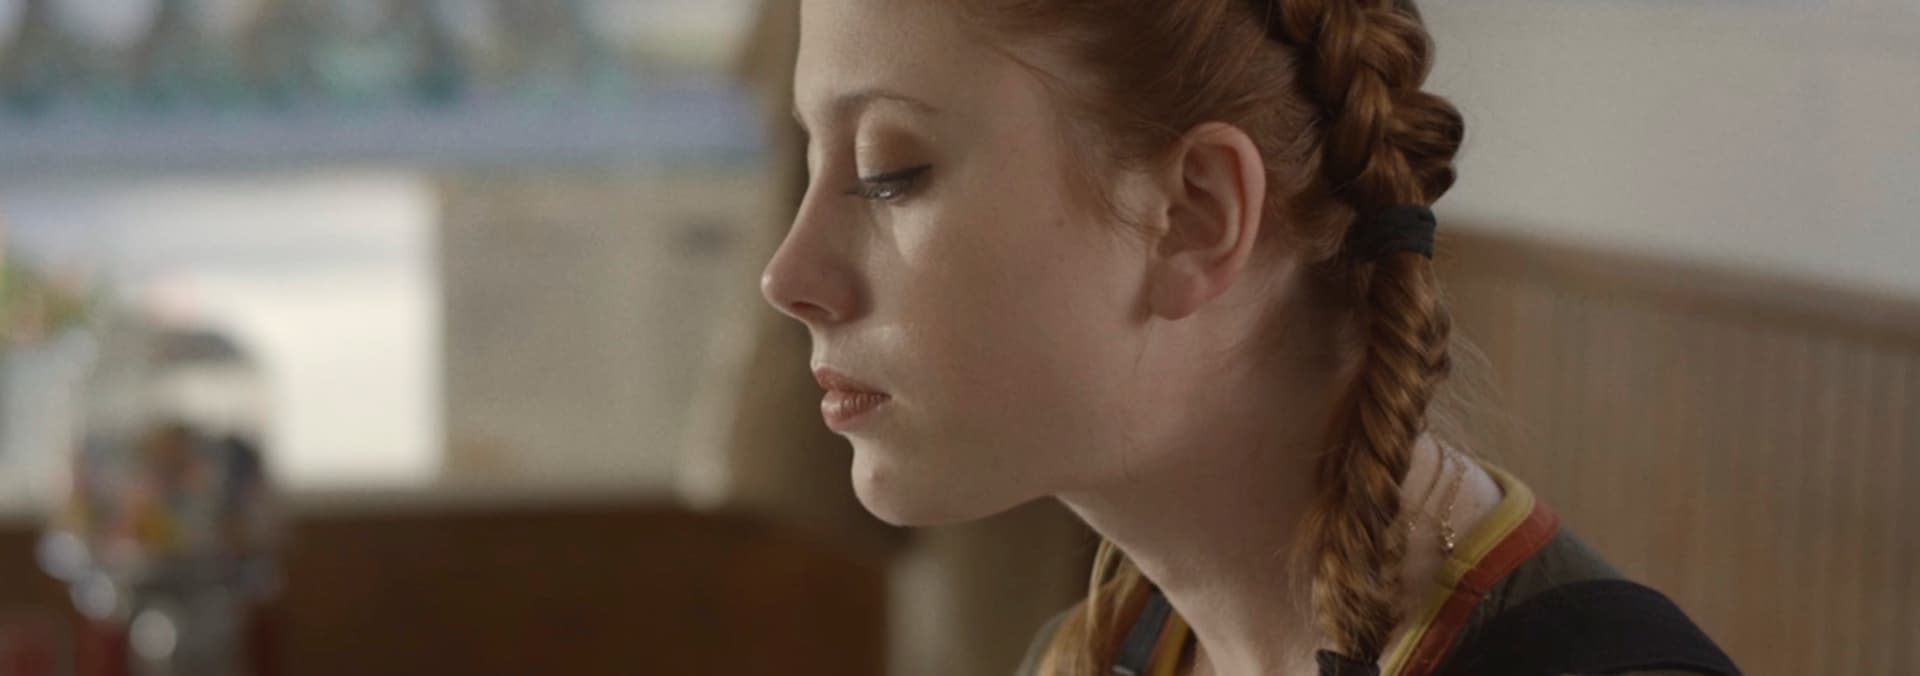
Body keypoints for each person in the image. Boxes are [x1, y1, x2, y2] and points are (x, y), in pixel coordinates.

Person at [759, 2, 1741, 675]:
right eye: (813, 162)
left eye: (889, 172)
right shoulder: (1089, 655)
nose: (787, 276)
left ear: (1195, 215)